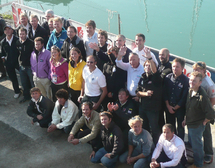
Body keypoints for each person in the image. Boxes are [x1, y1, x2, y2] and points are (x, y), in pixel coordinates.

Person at [182, 71, 214, 168]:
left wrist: (204, 121)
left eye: (194, 81)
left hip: (196, 126)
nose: (191, 82)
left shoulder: (202, 96)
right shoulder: (191, 90)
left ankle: (198, 164)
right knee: (193, 144)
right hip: (190, 123)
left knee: (197, 147)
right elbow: (188, 107)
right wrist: (185, 119)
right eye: (190, 80)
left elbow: (211, 113)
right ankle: (195, 160)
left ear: (200, 83)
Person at [136, 56, 162, 144]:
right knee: (144, 128)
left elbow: (155, 73)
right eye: (146, 65)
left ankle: (157, 147)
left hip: (153, 109)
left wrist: (150, 58)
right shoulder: (142, 77)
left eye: (150, 65)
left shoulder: (156, 78)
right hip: (143, 108)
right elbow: (137, 92)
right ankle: (147, 145)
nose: (148, 67)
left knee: (154, 129)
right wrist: (145, 94)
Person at [193, 61, 215, 164]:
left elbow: (213, 99)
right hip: (196, 111)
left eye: (198, 70)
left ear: (204, 71)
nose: (195, 71)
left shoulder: (209, 84)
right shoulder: (196, 79)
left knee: (206, 133)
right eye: (194, 69)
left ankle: (209, 153)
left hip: (204, 113)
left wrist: (207, 114)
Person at [164, 58, 189, 140]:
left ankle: (180, 144)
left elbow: (184, 97)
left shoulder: (186, 81)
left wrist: (175, 108)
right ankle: (171, 142)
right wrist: (168, 106)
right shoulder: (168, 78)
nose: (175, 68)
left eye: (177, 67)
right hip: (169, 107)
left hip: (179, 109)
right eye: (173, 66)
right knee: (170, 127)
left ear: (182, 68)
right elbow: (165, 93)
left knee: (180, 128)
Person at [1, 25, 21, 98]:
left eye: (9, 29)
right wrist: (4, 61)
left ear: (12, 30)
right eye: (6, 30)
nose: (8, 31)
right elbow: (2, 53)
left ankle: (27, 91)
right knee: (13, 78)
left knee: (24, 77)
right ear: (4, 32)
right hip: (8, 63)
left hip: (18, 62)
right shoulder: (3, 42)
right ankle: (17, 91)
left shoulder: (17, 40)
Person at [16, 27, 35, 103]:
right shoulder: (17, 42)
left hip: (30, 67)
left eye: (23, 34)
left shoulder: (31, 43)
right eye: (20, 34)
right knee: (24, 83)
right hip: (22, 67)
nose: (22, 35)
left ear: (26, 34)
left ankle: (35, 99)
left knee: (32, 83)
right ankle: (26, 97)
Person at [157, 48, 172, 131]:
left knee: (170, 122)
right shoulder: (160, 66)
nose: (160, 56)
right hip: (160, 99)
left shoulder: (170, 68)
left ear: (168, 56)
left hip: (168, 100)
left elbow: (160, 80)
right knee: (160, 120)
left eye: (163, 55)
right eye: (159, 55)